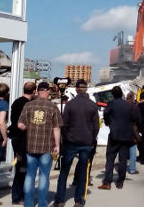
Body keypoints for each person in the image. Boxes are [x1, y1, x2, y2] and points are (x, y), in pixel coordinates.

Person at [53, 79, 99, 207]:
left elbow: (64, 124)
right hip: (86, 142)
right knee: (83, 171)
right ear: (87, 89)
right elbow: (96, 126)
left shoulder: (70, 104)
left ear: (77, 89)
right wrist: (92, 138)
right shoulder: (92, 105)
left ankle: (60, 200)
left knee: (64, 171)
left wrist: (66, 136)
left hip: (71, 141)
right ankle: (79, 200)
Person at [17, 82, 62, 207]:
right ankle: (42, 203)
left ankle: (28, 203)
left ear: (37, 91)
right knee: (43, 175)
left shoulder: (28, 105)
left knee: (30, 175)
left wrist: (30, 127)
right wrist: (57, 145)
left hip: (30, 146)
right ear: (47, 91)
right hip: (46, 147)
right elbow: (56, 128)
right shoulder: (52, 107)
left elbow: (20, 125)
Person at [98, 86, 139, 190]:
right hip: (126, 136)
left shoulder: (111, 104)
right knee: (123, 160)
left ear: (113, 94)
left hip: (114, 135)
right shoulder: (129, 105)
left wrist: (108, 123)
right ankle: (120, 182)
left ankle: (107, 182)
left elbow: (106, 114)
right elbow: (135, 118)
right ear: (122, 94)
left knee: (110, 159)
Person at [8, 81, 35, 205]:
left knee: (20, 167)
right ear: (34, 91)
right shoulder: (29, 105)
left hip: (15, 138)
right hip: (24, 139)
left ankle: (17, 195)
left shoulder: (16, 102)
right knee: (24, 168)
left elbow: (13, 120)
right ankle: (19, 196)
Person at [125, 92, 140, 175]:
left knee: (123, 150)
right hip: (132, 131)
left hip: (123, 131)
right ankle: (132, 169)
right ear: (133, 98)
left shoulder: (122, 107)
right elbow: (138, 119)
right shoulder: (135, 107)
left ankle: (122, 168)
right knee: (133, 150)